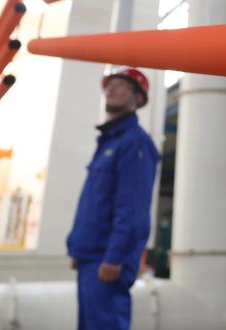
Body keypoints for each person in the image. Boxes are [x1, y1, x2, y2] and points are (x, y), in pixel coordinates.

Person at [67, 66, 159, 330]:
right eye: (110, 84)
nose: (111, 88)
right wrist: (80, 248)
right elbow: (95, 201)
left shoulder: (135, 143)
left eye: (121, 85)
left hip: (108, 259)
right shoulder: (109, 142)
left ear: (137, 98)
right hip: (91, 255)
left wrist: (115, 257)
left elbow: (132, 209)